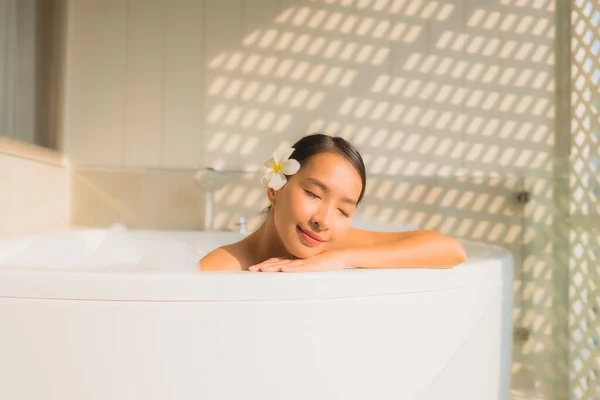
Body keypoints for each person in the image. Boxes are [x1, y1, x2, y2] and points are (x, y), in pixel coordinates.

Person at [198, 133, 467, 272]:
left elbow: (451, 250)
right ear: (274, 188)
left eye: (343, 210)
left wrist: (342, 258)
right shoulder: (221, 267)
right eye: (313, 194)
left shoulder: (330, 246)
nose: (323, 220)